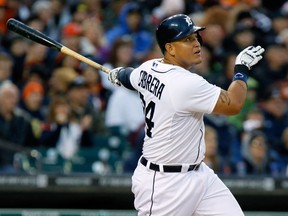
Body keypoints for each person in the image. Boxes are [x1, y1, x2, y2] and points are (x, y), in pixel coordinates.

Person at [107, 14, 265, 215]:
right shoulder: (185, 83)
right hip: (165, 184)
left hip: (200, 175)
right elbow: (234, 104)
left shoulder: (148, 67)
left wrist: (119, 74)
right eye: (187, 39)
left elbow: (130, 76)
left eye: (196, 37)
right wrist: (242, 68)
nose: (196, 43)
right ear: (170, 48)